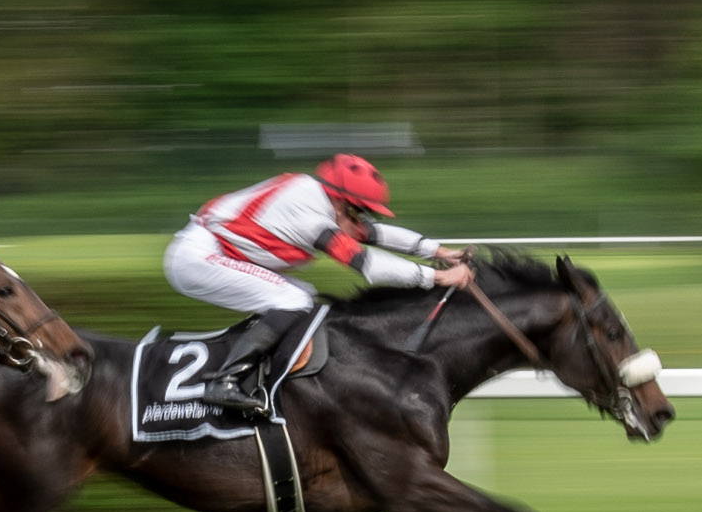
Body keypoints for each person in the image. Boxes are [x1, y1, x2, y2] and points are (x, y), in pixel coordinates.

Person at [165, 153, 473, 412]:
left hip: (213, 252)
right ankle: (225, 381)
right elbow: (366, 265)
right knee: (292, 300)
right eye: (359, 211)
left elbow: (374, 233)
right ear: (341, 203)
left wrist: (439, 251)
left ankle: (259, 369)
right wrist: (438, 276)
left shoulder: (321, 200)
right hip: (198, 258)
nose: (362, 219)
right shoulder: (309, 214)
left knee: (303, 295)